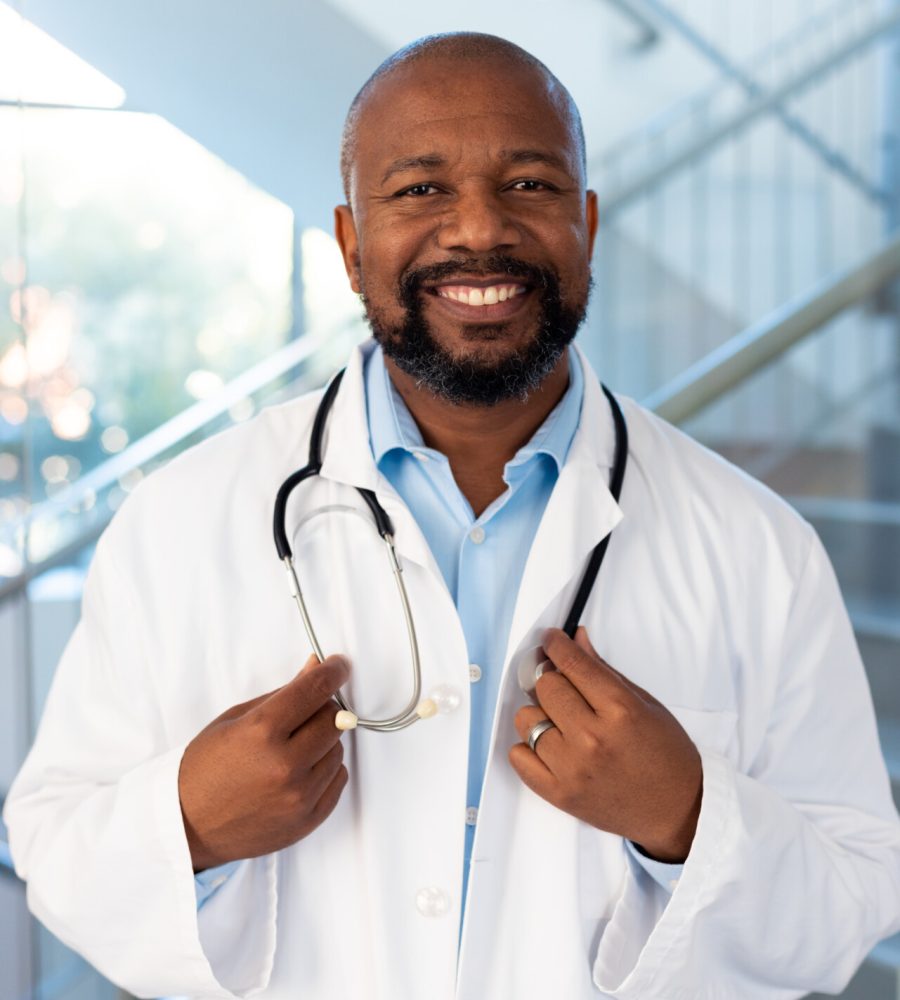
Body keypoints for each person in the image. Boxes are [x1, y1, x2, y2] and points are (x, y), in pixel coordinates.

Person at [5, 31, 900, 1000]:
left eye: (530, 185)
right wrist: (189, 824)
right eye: (420, 189)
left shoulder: (760, 547)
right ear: (352, 245)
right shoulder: (179, 521)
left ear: (587, 224)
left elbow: (855, 896)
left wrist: (688, 814)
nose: (479, 230)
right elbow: (52, 844)